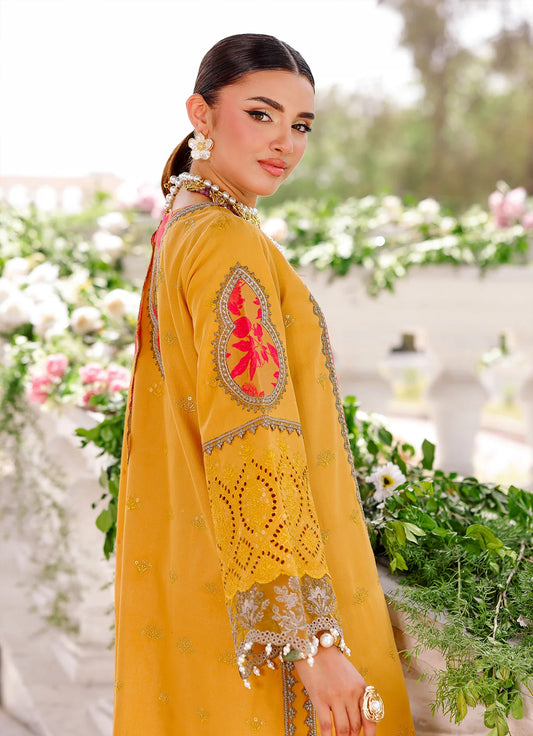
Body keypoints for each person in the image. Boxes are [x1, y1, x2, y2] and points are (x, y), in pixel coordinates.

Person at [113, 33, 415, 736]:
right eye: (261, 114)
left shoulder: (181, 227)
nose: (285, 142)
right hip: (273, 630)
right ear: (201, 113)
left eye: (301, 125)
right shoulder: (226, 241)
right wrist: (312, 643)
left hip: (201, 584)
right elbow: (253, 440)